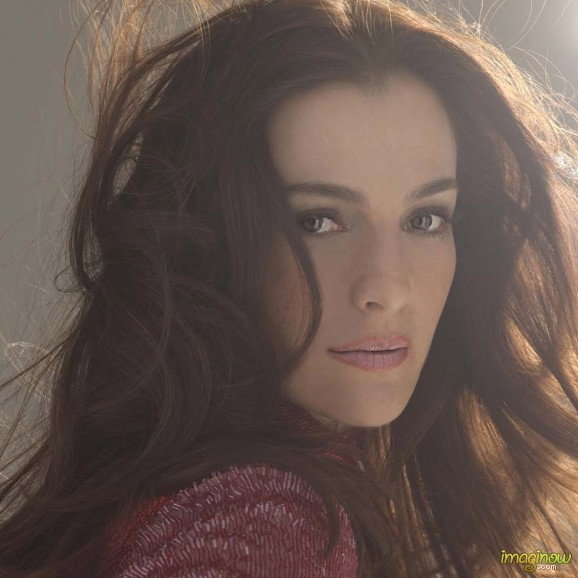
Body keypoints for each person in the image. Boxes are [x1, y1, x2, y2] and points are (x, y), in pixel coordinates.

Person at [0, 0, 577, 576]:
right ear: (211, 241)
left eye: (424, 219)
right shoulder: (271, 526)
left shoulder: (195, 486)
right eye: (318, 221)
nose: (387, 288)